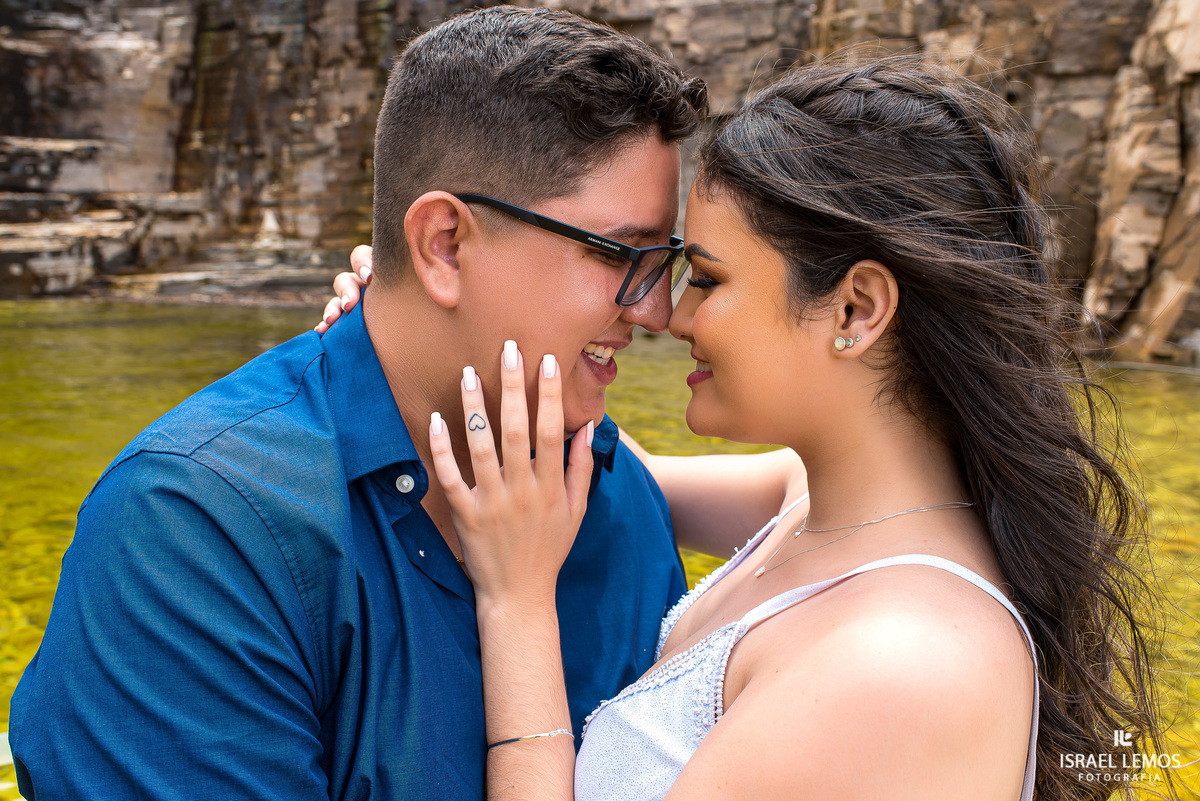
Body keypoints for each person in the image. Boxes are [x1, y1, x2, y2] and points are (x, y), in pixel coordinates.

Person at [328, 55, 1168, 800]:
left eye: (707, 279)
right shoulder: (821, 502)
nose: (670, 315)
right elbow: (593, 467)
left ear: (855, 309)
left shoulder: (900, 664)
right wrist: (426, 313)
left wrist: (517, 605)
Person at [6, 8, 796, 800]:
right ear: (443, 244)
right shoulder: (193, 530)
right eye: (621, 254)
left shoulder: (611, 492)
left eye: (664, 261)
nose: (657, 311)